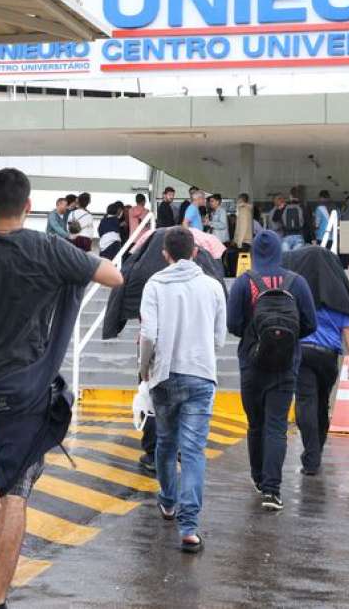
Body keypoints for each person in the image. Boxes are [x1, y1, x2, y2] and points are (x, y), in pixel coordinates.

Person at [0, 168, 122, 608]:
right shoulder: (49, 249)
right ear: (28, 203)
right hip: (27, 393)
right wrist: (66, 270)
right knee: (16, 490)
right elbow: (114, 277)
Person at [138, 227, 226, 553]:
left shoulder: (154, 285)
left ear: (165, 254)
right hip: (201, 377)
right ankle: (189, 528)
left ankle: (168, 502)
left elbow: (148, 334)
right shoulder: (214, 287)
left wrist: (144, 369)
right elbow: (219, 339)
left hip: (164, 376)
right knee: (192, 452)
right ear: (194, 252)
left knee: (165, 442)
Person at [227, 231, 316, 511]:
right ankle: (272, 490)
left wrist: (256, 335)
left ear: (254, 253)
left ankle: (257, 477)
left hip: (251, 365)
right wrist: (284, 338)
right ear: (280, 251)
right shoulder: (296, 282)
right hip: (286, 365)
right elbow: (310, 323)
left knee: (255, 425)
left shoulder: (244, 282)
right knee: (276, 426)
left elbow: (232, 323)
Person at [283, 246, 349, 476]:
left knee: (305, 402)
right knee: (322, 403)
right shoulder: (339, 297)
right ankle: (317, 450)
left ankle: (311, 455)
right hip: (328, 357)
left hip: (303, 352)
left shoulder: (298, 293)